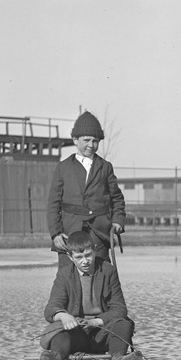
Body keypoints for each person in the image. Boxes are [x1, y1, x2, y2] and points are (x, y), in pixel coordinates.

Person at [38, 231, 142, 360]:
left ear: (95, 250)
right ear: (70, 257)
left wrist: (95, 321)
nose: (85, 261)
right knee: (59, 330)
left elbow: (119, 309)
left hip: (102, 332)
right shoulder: (64, 274)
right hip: (75, 334)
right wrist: (64, 316)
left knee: (124, 323)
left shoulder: (108, 271)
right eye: (79, 258)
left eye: (88, 255)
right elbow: (51, 307)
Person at [47, 110, 126, 269]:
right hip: (69, 233)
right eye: (86, 140)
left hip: (99, 233)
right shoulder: (63, 168)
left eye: (95, 141)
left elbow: (117, 199)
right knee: (67, 277)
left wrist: (118, 220)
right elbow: (53, 204)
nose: (91, 145)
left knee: (102, 275)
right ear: (75, 140)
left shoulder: (105, 167)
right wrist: (56, 234)